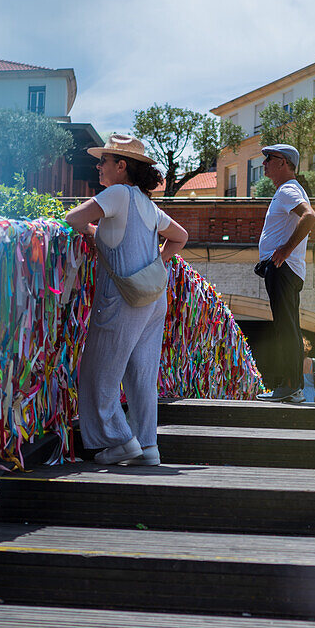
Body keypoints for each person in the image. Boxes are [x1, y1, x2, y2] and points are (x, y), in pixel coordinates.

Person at [64, 134, 189, 465]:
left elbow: (73, 218)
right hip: (151, 296)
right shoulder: (146, 203)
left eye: (103, 161)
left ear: (121, 166)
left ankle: (120, 441)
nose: (98, 166)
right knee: (142, 375)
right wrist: (157, 263)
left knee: (98, 372)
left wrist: (93, 235)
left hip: (121, 298)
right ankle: (148, 447)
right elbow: (180, 237)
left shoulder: (117, 194)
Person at [254, 144, 315, 403]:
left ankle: (288, 386)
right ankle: (292, 387)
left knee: (285, 328)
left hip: (282, 269)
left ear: (284, 162)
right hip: (287, 270)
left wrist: (284, 250)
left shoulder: (288, 189)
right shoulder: (289, 190)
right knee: (288, 327)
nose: (265, 163)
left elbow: (310, 217)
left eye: (269, 158)